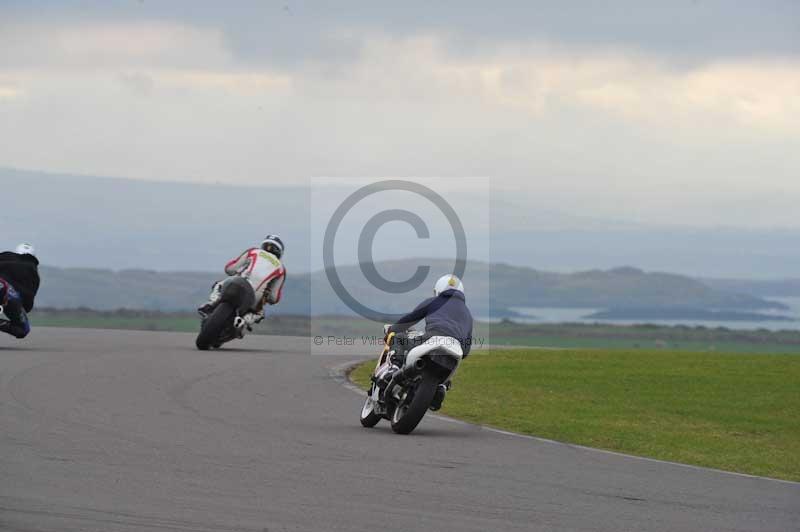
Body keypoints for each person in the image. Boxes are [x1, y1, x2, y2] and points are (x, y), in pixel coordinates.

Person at [386, 274, 473, 410]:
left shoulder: (435, 301)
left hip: (433, 337)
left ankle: (394, 368)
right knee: (448, 373)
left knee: (400, 338)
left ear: (438, 290)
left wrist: (392, 329)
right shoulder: (468, 314)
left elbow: (410, 319)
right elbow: (466, 351)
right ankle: (441, 386)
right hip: (456, 348)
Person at [198, 235, 286, 335]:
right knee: (260, 313)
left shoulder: (253, 252)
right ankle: (243, 321)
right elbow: (274, 297)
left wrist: (240, 270)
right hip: (254, 297)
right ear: (279, 252)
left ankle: (210, 304)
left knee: (219, 285)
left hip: (237, 284)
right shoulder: (281, 268)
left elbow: (230, 269)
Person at [0, 243, 40, 339]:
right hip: (10, 294)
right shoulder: (33, 272)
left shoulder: (4, 256)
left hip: (4, 288)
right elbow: (28, 303)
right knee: (23, 329)